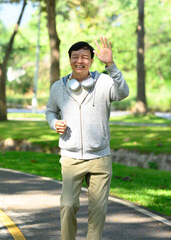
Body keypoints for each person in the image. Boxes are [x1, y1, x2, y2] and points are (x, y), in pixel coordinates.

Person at [45, 37, 129, 240]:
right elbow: (50, 111)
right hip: (70, 157)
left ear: (91, 60)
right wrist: (54, 123)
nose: (79, 61)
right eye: (75, 57)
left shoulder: (104, 82)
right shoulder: (58, 87)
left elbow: (123, 92)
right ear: (70, 60)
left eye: (84, 57)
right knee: (67, 205)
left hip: (100, 157)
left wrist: (111, 65)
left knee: (98, 210)